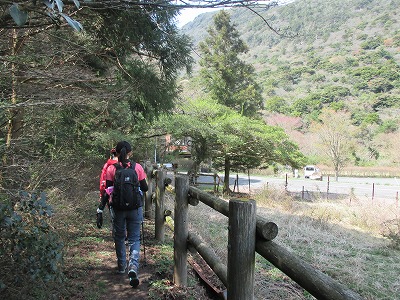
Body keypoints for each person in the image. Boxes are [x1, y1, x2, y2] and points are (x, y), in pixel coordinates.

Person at [104, 141, 148, 288]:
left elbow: (108, 189)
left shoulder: (112, 168)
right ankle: (133, 267)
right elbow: (145, 188)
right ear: (130, 152)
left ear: (116, 152)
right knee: (134, 238)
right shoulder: (138, 168)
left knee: (119, 237)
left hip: (118, 209)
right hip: (135, 209)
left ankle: (121, 266)